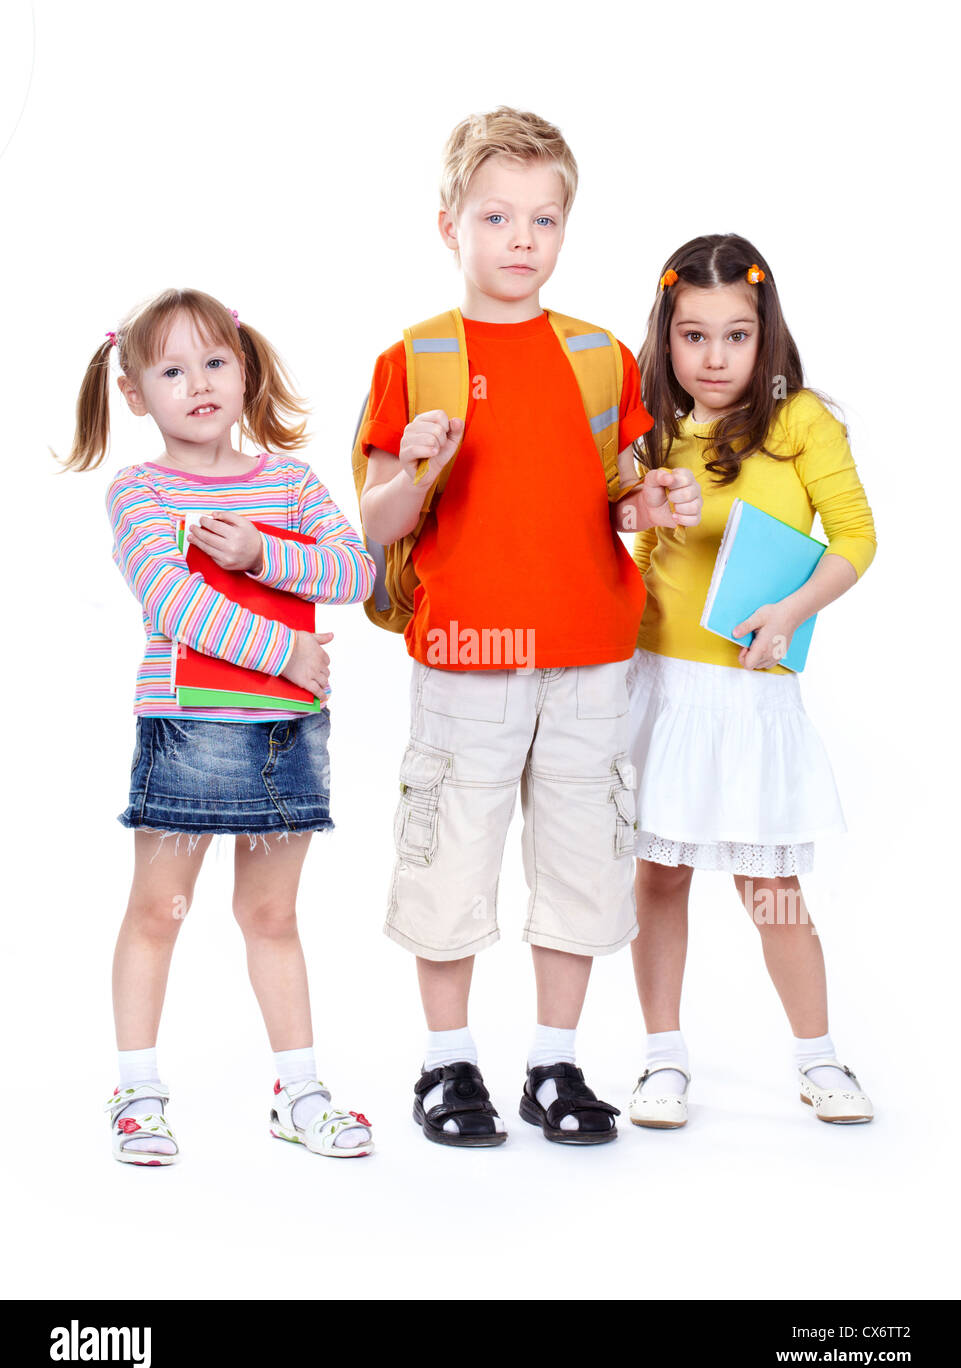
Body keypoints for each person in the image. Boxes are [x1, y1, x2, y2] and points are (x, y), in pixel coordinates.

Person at [358, 108, 702, 1146]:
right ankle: (445, 1062)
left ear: (564, 228)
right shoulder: (413, 358)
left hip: (591, 653)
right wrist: (415, 464)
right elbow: (374, 522)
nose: (520, 238)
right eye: (497, 215)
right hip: (467, 657)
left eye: (542, 218)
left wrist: (655, 505)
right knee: (450, 855)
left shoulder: (600, 357)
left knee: (582, 859)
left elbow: (615, 495)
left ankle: (554, 1061)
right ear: (447, 224)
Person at [59, 288, 377, 1163]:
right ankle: (137, 1090)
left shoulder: (290, 480)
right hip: (191, 728)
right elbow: (174, 598)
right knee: (159, 910)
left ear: (244, 368)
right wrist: (287, 653)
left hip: (290, 733)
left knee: (272, 915)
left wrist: (263, 553)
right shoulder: (139, 492)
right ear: (134, 393)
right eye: (170, 369)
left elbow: (356, 571)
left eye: (214, 361)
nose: (197, 383)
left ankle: (300, 1092)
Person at [625, 235, 877, 1128]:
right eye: (693, 336)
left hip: (752, 684)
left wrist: (789, 612)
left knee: (768, 884)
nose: (715, 357)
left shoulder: (800, 418)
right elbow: (632, 535)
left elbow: (854, 536)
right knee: (655, 876)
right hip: (659, 683)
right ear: (668, 334)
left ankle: (819, 1059)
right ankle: (662, 1059)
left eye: (735, 335)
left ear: (764, 333)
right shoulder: (652, 426)